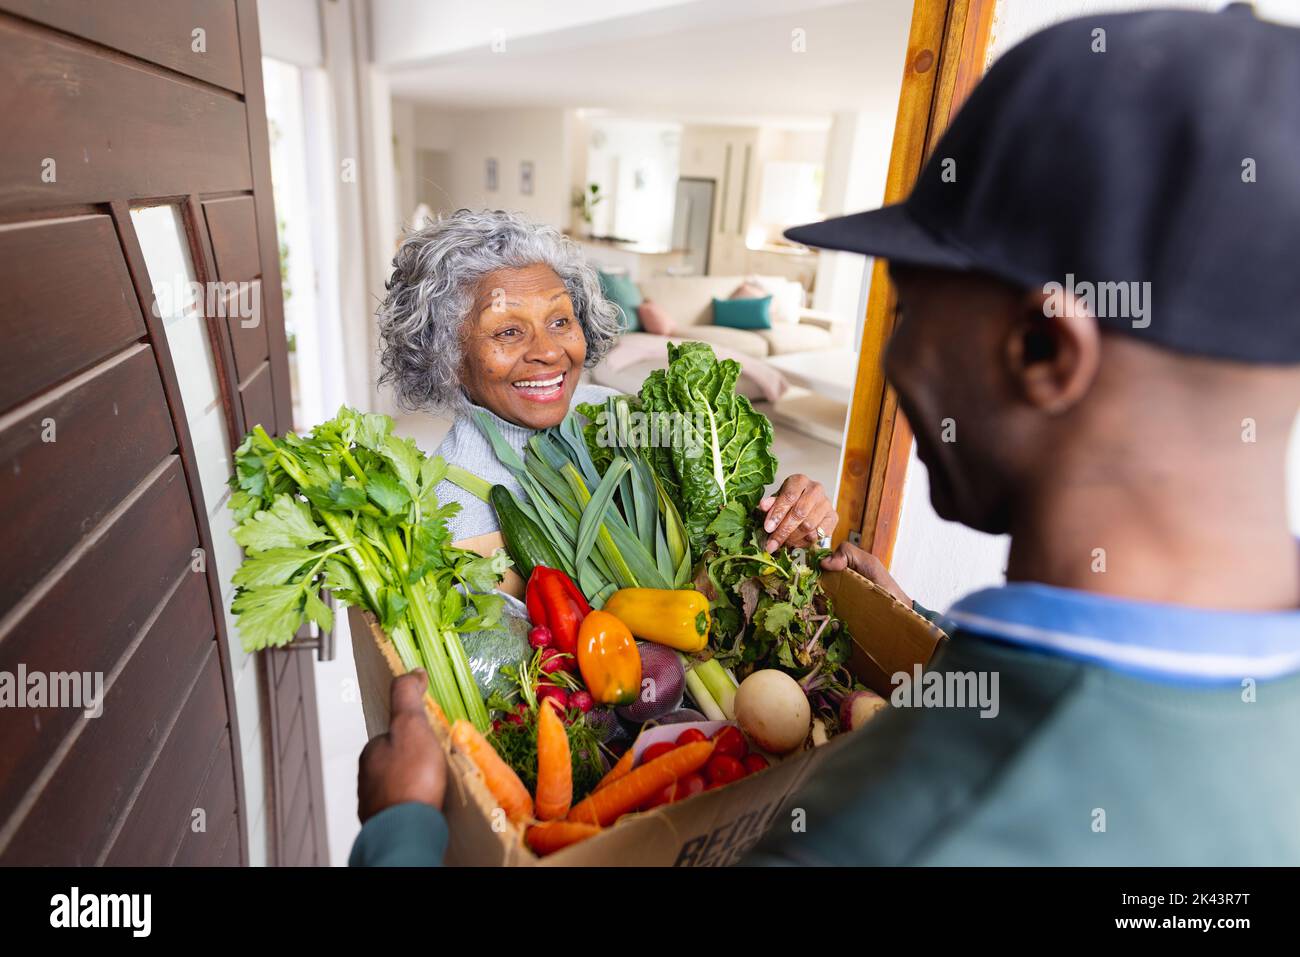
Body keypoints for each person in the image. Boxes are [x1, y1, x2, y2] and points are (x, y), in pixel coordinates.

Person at [351, 6, 1300, 866]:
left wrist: (402, 831)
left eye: (909, 302)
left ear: (1045, 347)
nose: (896, 356)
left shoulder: (898, 831)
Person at [376, 208, 837, 553]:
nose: (549, 351)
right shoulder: (456, 505)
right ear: (449, 356)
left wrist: (787, 518)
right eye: (508, 331)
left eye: (560, 322)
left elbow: (723, 525)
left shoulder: (614, 410)